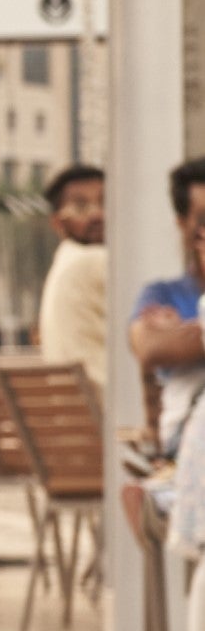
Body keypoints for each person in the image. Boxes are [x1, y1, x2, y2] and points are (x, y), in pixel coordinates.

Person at [132, 159, 205, 454]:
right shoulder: (163, 294)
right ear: (183, 225)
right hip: (190, 437)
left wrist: (189, 335)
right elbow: (149, 347)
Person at [35, 161, 105, 387]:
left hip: (74, 409)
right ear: (57, 222)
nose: (97, 214)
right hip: (108, 409)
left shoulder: (64, 261)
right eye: (81, 206)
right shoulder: (94, 261)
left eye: (104, 202)